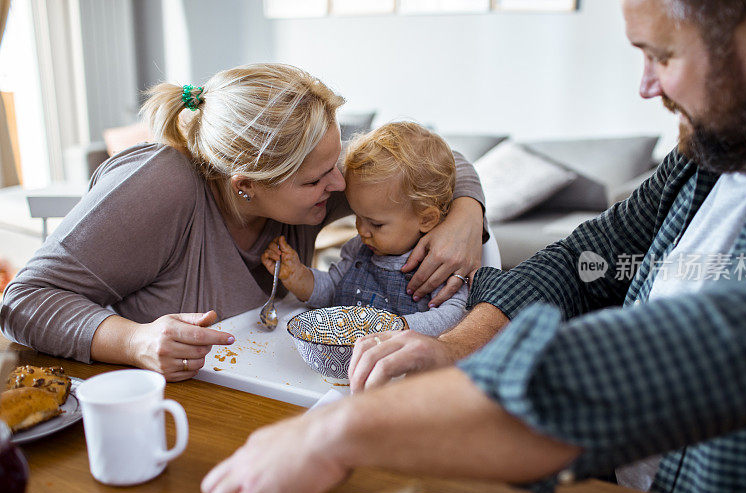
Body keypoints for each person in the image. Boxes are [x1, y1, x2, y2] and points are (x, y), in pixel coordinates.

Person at [201, 1, 746, 493]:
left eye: (662, 55)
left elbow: (696, 347)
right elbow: (579, 263)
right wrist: (451, 346)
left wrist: (337, 433)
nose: (646, 86)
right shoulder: (706, 165)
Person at [0, 63, 487, 382]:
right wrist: (136, 340)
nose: (341, 185)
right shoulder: (159, 186)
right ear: (246, 184)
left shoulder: (318, 185)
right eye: (318, 178)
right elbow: (22, 301)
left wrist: (466, 213)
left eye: (336, 162)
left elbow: (442, 163)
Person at [261, 122, 467, 336]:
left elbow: (454, 315)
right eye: (357, 217)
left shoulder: (438, 261)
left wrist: (396, 327)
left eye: (376, 224)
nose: (361, 230)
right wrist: (298, 275)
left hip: (405, 364)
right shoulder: (358, 249)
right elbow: (333, 289)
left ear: (426, 219)